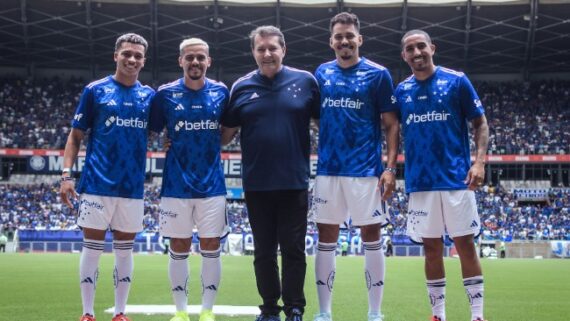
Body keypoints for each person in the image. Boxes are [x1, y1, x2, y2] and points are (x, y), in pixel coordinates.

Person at [222, 25, 320, 321]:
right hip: (257, 184)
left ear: (283, 50)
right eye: (260, 49)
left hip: (294, 183)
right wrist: (178, 138)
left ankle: (294, 307)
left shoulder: (306, 82)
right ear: (253, 52)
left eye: (272, 48)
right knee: (263, 252)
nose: (267, 54)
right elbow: (223, 137)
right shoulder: (240, 87)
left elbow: (326, 124)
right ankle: (269, 308)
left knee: (293, 250)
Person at [394, 29, 490, 321]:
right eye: (410, 49)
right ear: (404, 55)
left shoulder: (456, 81)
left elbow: (480, 124)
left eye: (421, 46)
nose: (416, 52)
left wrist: (479, 163)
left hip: (455, 181)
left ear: (432, 48)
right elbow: (390, 130)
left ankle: (477, 316)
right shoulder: (401, 91)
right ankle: (438, 315)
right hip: (420, 183)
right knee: (431, 249)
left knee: (465, 246)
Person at [311, 12, 400, 321]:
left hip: (365, 172)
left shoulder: (378, 74)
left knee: (372, 237)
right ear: (331, 41)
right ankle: (324, 313)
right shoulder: (321, 73)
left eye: (349, 36)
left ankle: (375, 313)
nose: (344, 41)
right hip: (328, 171)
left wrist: (389, 168)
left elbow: (391, 125)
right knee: (326, 239)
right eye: (339, 36)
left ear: (359, 39)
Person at [59, 33, 154, 321]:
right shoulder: (95, 90)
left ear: (143, 61)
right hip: (96, 184)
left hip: (132, 187)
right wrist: (66, 175)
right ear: (116, 55)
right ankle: (87, 313)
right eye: (127, 53)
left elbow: (169, 128)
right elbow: (75, 136)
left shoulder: (150, 96)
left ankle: (120, 313)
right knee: (92, 248)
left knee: (125, 251)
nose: (132, 59)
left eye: (137, 55)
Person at [149, 38, 231, 321]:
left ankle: (207, 311)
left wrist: (214, 143)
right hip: (175, 185)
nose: (195, 62)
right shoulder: (165, 94)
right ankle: (181, 312)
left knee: (211, 246)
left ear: (209, 61)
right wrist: (163, 142)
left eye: (200, 57)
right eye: (189, 57)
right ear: (180, 60)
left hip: (212, 186)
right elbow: (152, 129)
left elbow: (230, 128)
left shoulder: (222, 92)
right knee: (178, 247)